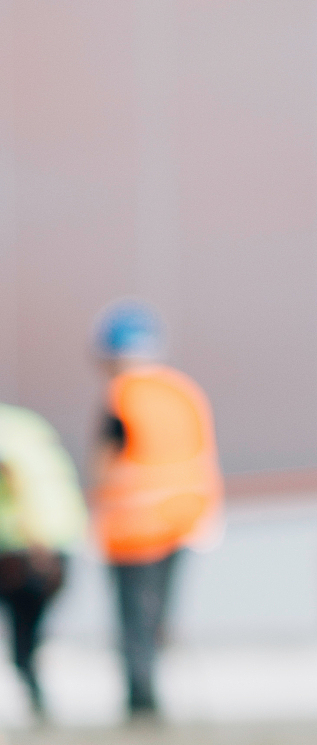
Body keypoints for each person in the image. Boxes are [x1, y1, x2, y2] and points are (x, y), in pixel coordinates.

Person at [90, 303, 222, 721]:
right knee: (161, 614)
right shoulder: (183, 392)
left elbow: (105, 461)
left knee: (135, 621)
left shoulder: (122, 396)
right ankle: (153, 694)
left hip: (134, 526)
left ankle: (142, 703)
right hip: (185, 520)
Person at [0, 402, 88, 721]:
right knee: (31, 630)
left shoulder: (8, 434)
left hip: (22, 547)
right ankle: (36, 692)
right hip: (58, 541)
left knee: (25, 630)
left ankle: (35, 692)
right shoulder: (29, 429)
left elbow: (14, 478)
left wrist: (33, 534)